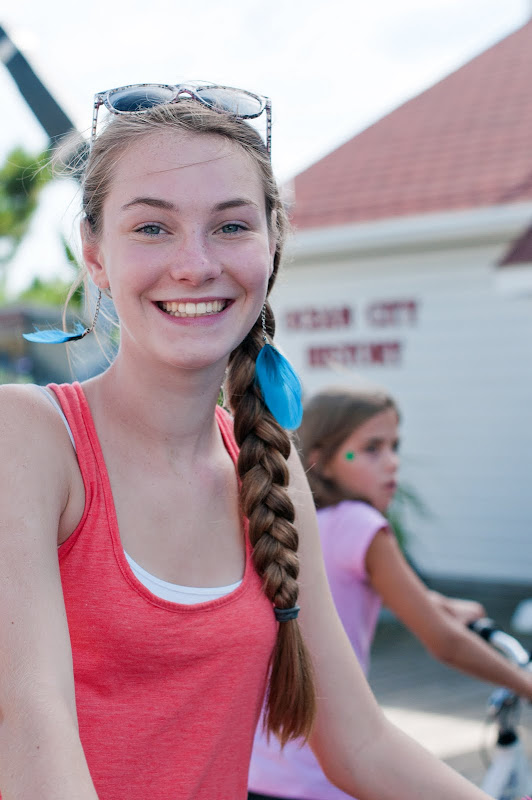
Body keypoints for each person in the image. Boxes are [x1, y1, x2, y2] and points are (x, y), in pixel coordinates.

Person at [0, 82, 502, 800]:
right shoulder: (29, 438)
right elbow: (30, 717)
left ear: (273, 246)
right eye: (152, 227)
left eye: (231, 226)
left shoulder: (270, 469)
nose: (196, 264)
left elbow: (360, 743)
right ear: (95, 253)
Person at [248, 386, 532, 800]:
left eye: (394, 447)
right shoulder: (361, 526)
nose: (392, 462)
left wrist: (439, 603)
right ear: (321, 460)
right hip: (324, 776)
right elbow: (445, 642)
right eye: (370, 449)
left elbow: (331, 595)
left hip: (259, 768)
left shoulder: (289, 527)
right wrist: (524, 683)